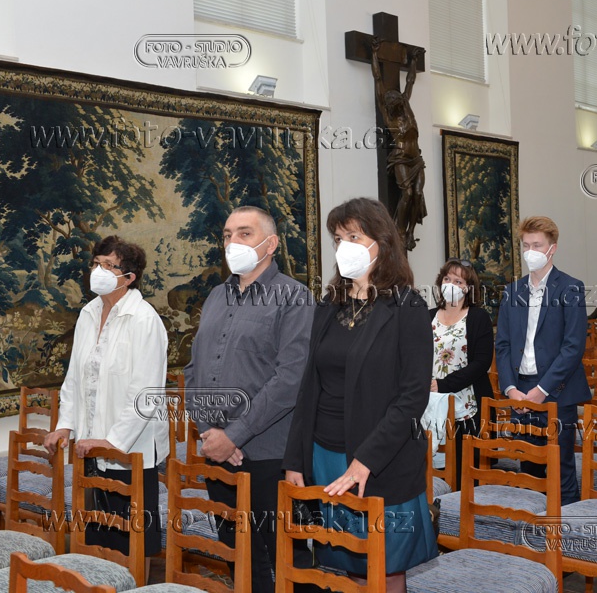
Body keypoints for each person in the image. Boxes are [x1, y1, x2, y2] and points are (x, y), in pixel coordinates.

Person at [284, 197, 437, 593]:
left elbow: (413, 396)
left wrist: (365, 460)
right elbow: (309, 385)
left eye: (353, 236)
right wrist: (296, 458)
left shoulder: (407, 307)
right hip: (326, 454)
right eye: (338, 238)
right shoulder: (329, 305)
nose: (343, 246)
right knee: (349, 561)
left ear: (381, 241)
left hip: (382, 458)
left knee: (386, 566)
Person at [184, 206, 314, 593]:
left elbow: (291, 379)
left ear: (270, 244)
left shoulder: (294, 297)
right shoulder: (215, 296)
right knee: (239, 556)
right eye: (227, 235)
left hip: (270, 454)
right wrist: (210, 432)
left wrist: (235, 435)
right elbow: (193, 370)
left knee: (287, 562)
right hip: (217, 452)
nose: (232, 243)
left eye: (244, 233)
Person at [45, 236, 168, 564]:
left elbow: (146, 393)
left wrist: (112, 442)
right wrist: (65, 425)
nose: (98, 271)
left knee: (130, 542)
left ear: (129, 277)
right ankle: (100, 582)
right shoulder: (88, 313)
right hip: (89, 445)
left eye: (109, 265)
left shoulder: (144, 319)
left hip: (129, 449)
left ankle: (134, 583)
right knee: (96, 537)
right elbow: (75, 377)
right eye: (96, 263)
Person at [495, 216, 590, 505]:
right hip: (520, 392)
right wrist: (511, 389)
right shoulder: (513, 291)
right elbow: (503, 345)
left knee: (561, 469)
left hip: (556, 391)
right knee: (528, 468)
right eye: (526, 245)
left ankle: (567, 528)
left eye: (537, 245)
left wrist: (542, 390)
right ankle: (533, 528)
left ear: (552, 248)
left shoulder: (571, 288)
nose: (530, 251)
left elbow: (573, 347)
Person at [428, 258, 494, 488]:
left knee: (465, 477)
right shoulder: (428, 316)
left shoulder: (478, 317)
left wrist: (443, 384)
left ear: (468, 288)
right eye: (447, 279)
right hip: (431, 404)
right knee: (431, 471)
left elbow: (482, 362)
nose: (451, 285)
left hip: (469, 407)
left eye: (458, 281)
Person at [370, 37, 427, 251]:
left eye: (397, 100)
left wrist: (413, 61)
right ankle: (400, 231)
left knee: (418, 194)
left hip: (416, 160)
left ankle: (410, 232)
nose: (395, 102)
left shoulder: (408, 111)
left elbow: (410, 81)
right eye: (391, 100)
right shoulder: (389, 118)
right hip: (401, 159)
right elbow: (378, 79)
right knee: (408, 194)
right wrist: (374, 54)